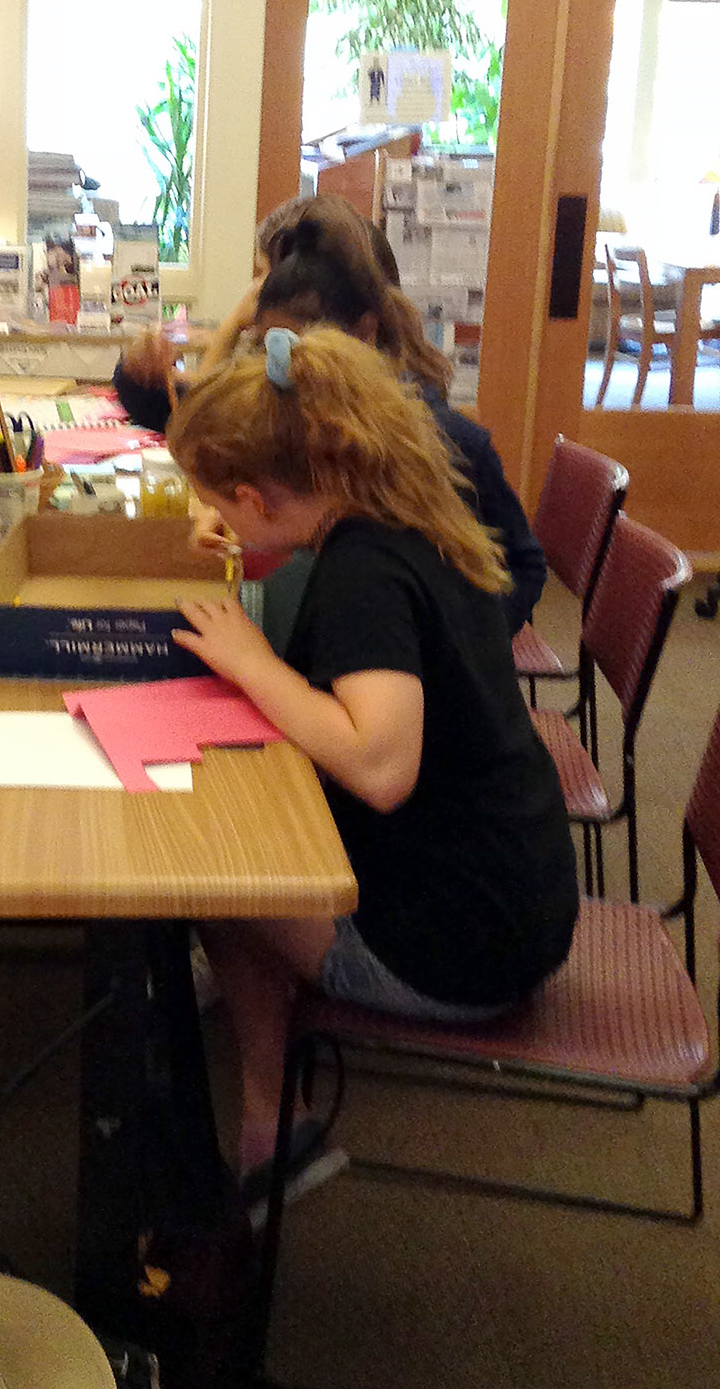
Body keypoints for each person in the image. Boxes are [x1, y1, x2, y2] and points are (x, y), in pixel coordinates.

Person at [165, 325, 578, 1216]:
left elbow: (382, 767)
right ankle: (276, 1117)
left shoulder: (364, 574)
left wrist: (252, 663)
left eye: (224, 505)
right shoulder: (410, 515)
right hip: (520, 890)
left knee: (206, 875)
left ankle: (271, 1130)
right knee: (244, 838)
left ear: (255, 493)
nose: (222, 524)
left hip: (464, 946)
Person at [114, 195, 546, 636]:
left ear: (361, 331)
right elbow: (194, 422)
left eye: (265, 280)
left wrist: (453, 644)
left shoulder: (439, 443)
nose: (256, 297)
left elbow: (519, 569)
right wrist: (239, 512)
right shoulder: (293, 407)